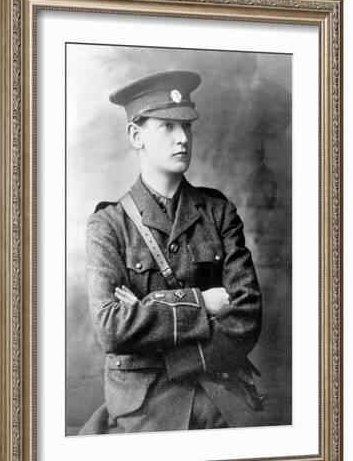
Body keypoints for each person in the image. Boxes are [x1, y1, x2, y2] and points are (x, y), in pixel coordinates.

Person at [79, 69, 263, 435]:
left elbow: (246, 316)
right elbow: (111, 328)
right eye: (167, 126)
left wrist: (149, 318)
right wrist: (203, 304)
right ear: (136, 136)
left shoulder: (218, 212)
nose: (183, 139)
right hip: (144, 406)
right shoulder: (109, 225)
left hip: (220, 394)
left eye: (188, 127)